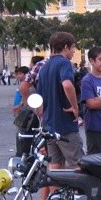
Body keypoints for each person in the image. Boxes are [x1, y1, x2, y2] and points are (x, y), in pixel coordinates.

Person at [37, 32, 84, 174]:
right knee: (79, 165)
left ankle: (54, 190)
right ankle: (79, 190)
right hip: (65, 125)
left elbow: (39, 101)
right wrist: (75, 107)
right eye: (73, 48)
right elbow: (67, 84)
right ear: (66, 47)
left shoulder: (44, 67)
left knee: (55, 167)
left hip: (49, 126)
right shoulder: (64, 63)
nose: (74, 51)